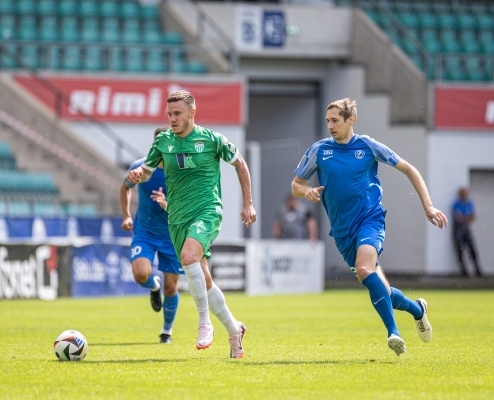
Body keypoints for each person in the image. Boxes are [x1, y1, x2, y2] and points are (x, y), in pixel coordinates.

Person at [291, 98, 448, 356]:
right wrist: (306, 191)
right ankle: (418, 310)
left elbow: (409, 169)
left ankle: (393, 332)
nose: (330, 126)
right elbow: (295, 185)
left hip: (370, 219)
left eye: (335, 121)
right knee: (380, 287)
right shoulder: (319, 151)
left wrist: (428, 206)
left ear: (350, 120)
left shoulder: (368, 146)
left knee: (365, 269)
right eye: (327, 121)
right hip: (342, 231)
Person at [127, 90, 257, 359]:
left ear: (192, 112)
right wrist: (139, 174)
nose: (172, 119)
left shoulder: (211, 140)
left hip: (207, 211)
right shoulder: (163, 141)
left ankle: (204, 323)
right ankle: (234, 330)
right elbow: (147, 171)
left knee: (188, 257)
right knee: (204, 279)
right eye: (169, 114)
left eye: (178, 114)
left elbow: (240, 164)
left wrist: (248, 203)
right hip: (177, 218)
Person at [119, 126, 184, 344]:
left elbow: (188, 206)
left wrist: (168, 205)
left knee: (171, 287)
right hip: (145, 231)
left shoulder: (182, 171)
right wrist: (127, 215)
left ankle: (167, 331)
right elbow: (124, 187)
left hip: (172, 234)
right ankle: (153, 286)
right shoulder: (140, 167)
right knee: (140, 275)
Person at [452, 187, 483, 277]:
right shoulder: (456, 204)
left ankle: (477, 270)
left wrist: (465, 218)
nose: (464, 195)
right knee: (460, 250)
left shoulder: (469, 203)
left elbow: (473, 217)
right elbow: (458, 217)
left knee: (472, 249)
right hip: (458, 228)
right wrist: (467, 218)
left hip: (466, 228)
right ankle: (464, 271)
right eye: (462, 193)